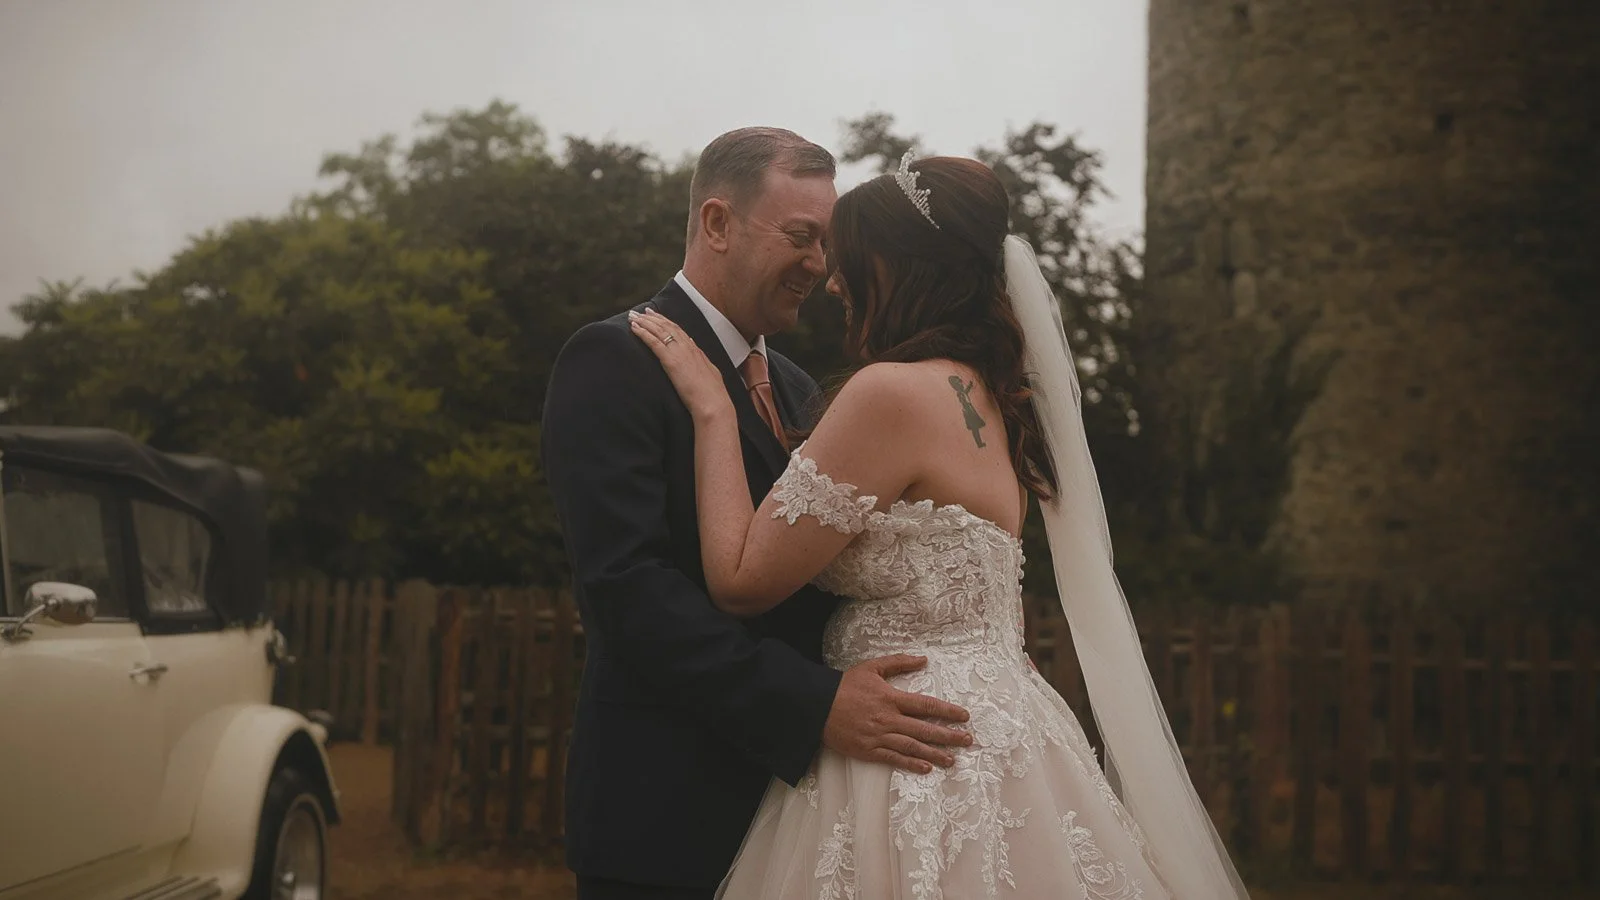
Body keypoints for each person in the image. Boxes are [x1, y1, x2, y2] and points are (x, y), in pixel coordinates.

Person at [628, 153, 1251, 898]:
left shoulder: (888, 395)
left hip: (904, 748)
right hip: (1009, 735)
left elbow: (739, 580)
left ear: (896, 268)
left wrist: (713, 412)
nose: (833, 280)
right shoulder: (996, 402)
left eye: (849, 259)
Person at [541, 128, 974, 900]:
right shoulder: (613, 359)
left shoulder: (806, 388)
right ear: (717, 223)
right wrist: (812, 706)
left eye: (827, 244)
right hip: (668, 816)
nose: (820, 265)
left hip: (815, 815)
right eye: (801, 238)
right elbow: (627, 589)